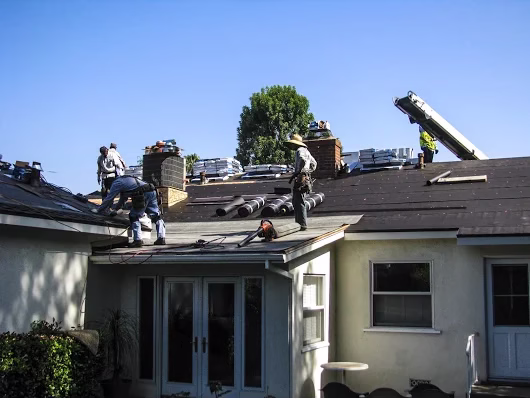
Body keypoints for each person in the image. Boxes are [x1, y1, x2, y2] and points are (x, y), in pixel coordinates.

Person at [97, 175, 166, 247]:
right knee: (156, 216)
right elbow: (123, 199)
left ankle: (137, 240)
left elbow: (109, 198)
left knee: (134, 216)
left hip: (142, 193)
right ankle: (161, 238)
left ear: (109, 184)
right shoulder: (124, 180)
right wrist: (116, 210)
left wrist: (99, 210)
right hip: (152, 191)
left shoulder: (116, 183)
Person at [286, 134, 317, 230]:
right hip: (305, 179)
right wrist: (307, 172)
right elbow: (314, 164)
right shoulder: (306, 151)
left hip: (301, 179)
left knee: (298, 201)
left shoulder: (300, 150)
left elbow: (302, 159)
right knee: (299, 200)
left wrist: (300, 172)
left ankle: (301, 224)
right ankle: (300, 223)